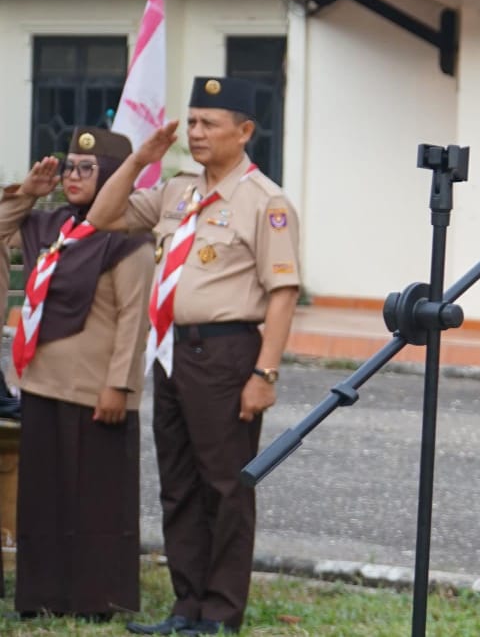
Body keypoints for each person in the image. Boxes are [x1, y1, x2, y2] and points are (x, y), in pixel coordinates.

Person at [86, 77, 301, 636]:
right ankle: (185, 606)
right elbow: (102, 217)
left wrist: (265, 372)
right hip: (171, 350)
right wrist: (138, 161)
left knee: (226, 485)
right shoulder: (178, 190)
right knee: (178, 481)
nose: (197, 133)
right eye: (193, 122)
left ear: (245, 130)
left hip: (228, 352)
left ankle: (221, 612)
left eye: (210, 123)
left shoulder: (265, 202)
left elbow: (283, 292)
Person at [0, 128, 154, 620]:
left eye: (86, 169)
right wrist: (26, 194)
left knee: (99, 502)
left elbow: (135, 318)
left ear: (111, 175)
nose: (72, 177)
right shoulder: (50, 226)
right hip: (40, 380)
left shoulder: (127, 240)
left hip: (96, 388)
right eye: (68, 166)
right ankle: (43, 596)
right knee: (42, 498)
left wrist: (120, 385)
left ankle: (98, 599)